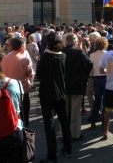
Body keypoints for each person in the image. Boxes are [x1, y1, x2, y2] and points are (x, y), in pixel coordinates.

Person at [36, 31, 73, 163]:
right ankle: (68, 149)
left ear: (48, 44)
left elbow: (39, 75)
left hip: (47, 94)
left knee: (49, 125)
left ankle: (52, 155)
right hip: (61, 92)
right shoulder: (63, 55)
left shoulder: (45, 57)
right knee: (64, 121)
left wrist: (39, 62)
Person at [62, 33, 93, 141]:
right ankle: (75, 134)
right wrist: (83, 75)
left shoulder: (62, 52)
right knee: (75, 110)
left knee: (65, 111)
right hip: (77, 84)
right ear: (75, 42)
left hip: (64, 84)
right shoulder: (79, 52)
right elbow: (89, 63)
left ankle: (64, 133)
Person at [1, 37, 34, 127]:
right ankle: (24, 127)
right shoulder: (24, 60)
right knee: (24, 112)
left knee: (11, 110)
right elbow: (30, 74)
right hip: (22, 89)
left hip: (7, 89)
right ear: (22, 46)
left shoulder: (4, 58)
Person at [88, 37, 108, 131]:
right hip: (106, 77)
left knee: (97, 101)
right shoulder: (107, 54)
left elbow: (91, 69)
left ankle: (93, 121)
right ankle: (104, 123)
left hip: (96, 78)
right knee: (105, 102)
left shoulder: (92, 55)